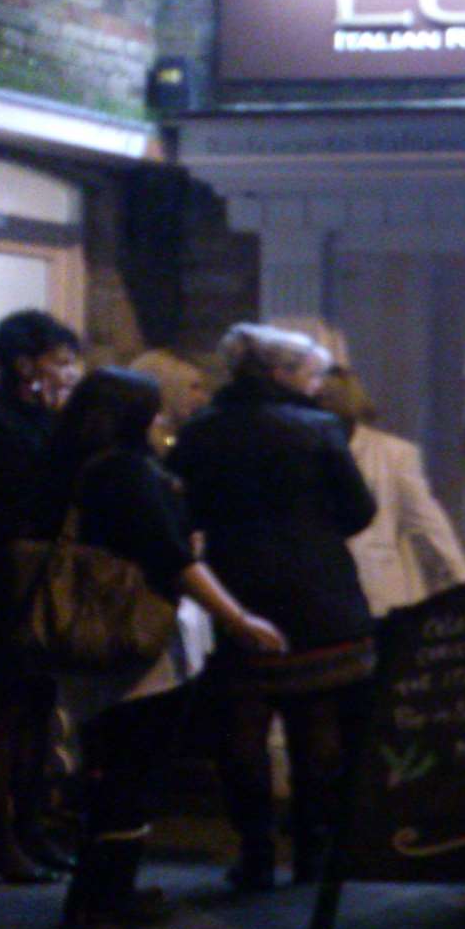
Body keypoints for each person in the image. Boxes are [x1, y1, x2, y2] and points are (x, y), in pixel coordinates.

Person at [36, 368, 285, 929]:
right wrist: (238, 618)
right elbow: (174, 558)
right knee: (133, 770)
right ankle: (102, 898)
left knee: (110, 764)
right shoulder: (127, 473)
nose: (164, 419)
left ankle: (99, 892)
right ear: (134, 415)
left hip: (84, 639)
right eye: (155, 409)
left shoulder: (63, 462)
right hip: (134, 639)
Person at [167, 323, 377, 890]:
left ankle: (255, 849)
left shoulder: (200, 432)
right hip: (319, 594)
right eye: (311, 374)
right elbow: (359, 511)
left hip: (237, 591)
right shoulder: (319, 428)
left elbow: (184, 513)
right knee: (316, 732)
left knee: (241, 732)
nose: (317, 385)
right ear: (279, 374)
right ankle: (311, 850)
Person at [0, 309, 81, 882]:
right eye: (59, 360)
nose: (68, 373)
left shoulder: (45, 419)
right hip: (5, 576)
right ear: (24, 363)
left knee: (40, 704)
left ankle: (33, 828)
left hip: (43, 574)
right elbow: (23, 499)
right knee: (5, 707)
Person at [315, 366, 465, 616]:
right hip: (323, 586)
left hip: (375, 587)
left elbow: (427, 521)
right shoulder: (301, 451)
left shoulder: (393, 454)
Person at [126, 350, 209, 453]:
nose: (202, 398)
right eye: (194, 388)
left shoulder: (182, 434)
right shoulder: (152, 442)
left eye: (203, 389)